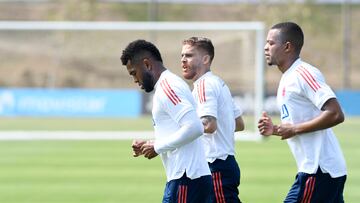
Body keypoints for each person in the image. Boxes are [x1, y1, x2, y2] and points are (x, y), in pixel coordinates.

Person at [258, 22, 347, 202]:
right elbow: (299, 124)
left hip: (319, 170)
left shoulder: (303, 73)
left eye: (271, 43)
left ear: (287, 46)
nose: (265, 47)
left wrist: (294, 129)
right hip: (322, 171)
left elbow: (336, 113)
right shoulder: (287, 78)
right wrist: (275, 129)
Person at [120, 39, 212, 203]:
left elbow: (195, 127)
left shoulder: (168, 87)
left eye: (134, 73)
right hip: (188, 179)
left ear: (147, 64)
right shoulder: (168, 85)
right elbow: (180, 129)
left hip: (186, 179)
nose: (135, 79)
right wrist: (150, 145)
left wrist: (157, 147)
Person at [181, 36, 245, 203]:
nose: (183, 60)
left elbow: (209, 124)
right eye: (182, 56)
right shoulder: (218, 83)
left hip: (215, 164)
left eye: (189, 55)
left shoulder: (204, 85)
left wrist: (178, 134)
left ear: (205, 59)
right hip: (223, 164)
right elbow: (239, 123)